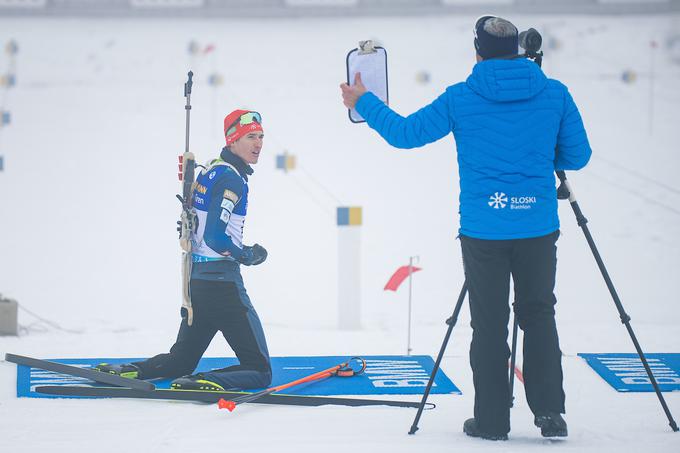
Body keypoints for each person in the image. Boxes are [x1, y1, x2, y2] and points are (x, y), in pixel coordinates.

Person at [340, 16, 591, 440]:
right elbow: (577, 156)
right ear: (517, 51)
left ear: (477, 52)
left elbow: (405, 134)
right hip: (537, 226)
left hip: (484, 231)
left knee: (489, 325)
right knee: (539, 314)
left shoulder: (461, 97)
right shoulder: (554, 93)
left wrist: (362, 101)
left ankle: (492, 422)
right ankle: (550, 412)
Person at [96, 109, 272, 392]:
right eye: (250, 136)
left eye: (261, 136)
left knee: (182, 360)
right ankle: (206, 381)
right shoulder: (232, 179)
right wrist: (247, 255)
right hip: (224, 287)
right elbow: (216, 236)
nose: (259, 143)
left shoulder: (211, 170)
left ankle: (129, 371)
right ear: (231, 140)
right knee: (260, 370)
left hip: (198, 283)